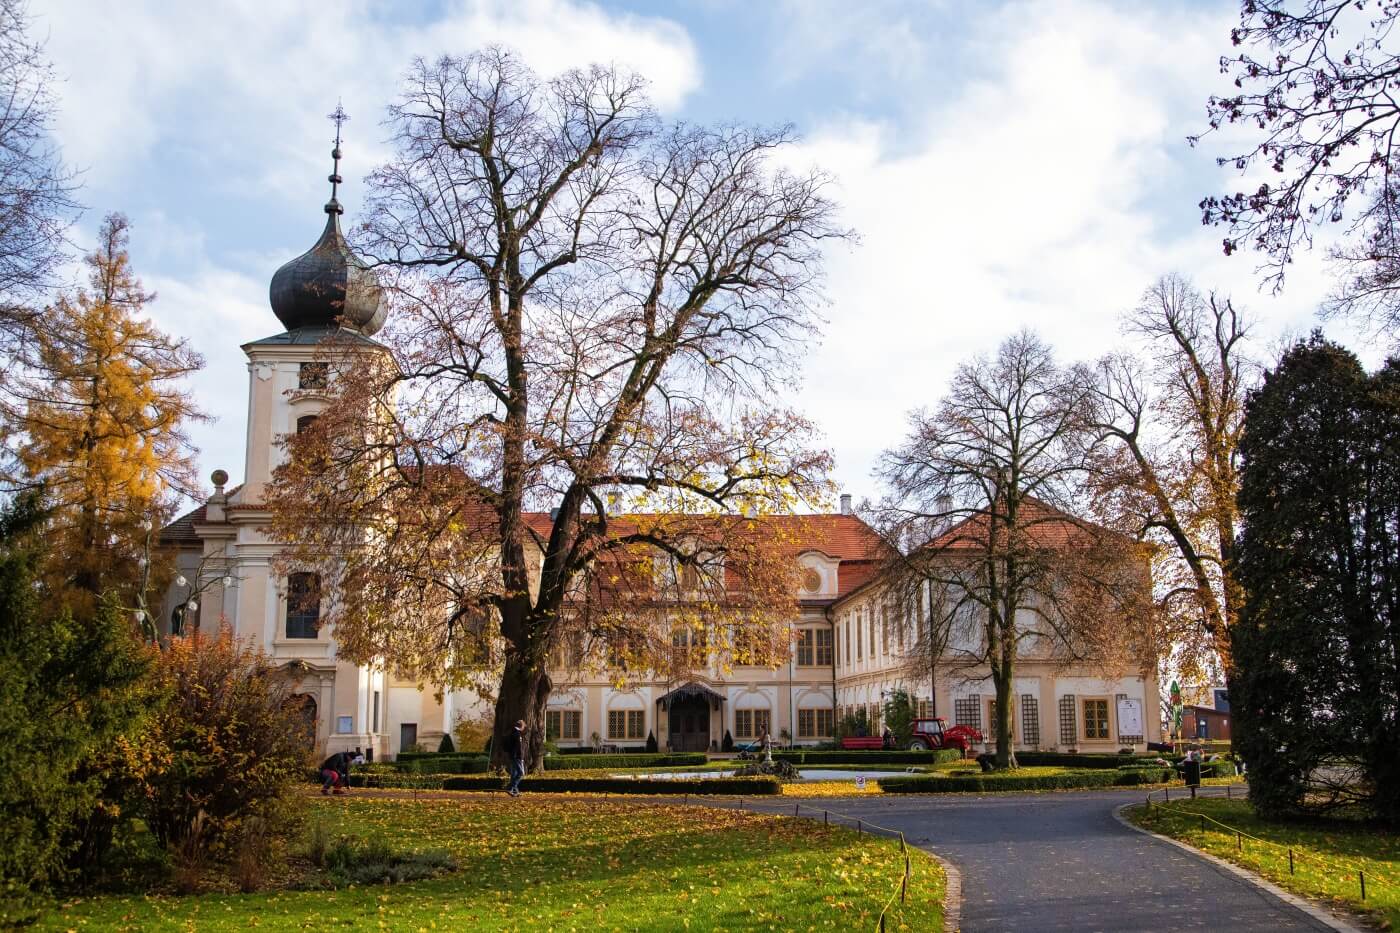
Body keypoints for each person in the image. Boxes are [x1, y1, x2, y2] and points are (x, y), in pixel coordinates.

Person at [505, 719, 526, 797]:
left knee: (514, 774)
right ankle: (510, 787)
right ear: (522, 726)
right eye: (524, 726)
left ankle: (515, 791)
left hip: (513, 756)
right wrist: (520, 757)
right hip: (517, 757)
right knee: (521, 773)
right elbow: (517, 747)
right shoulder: (517, 734)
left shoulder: (512, 732)